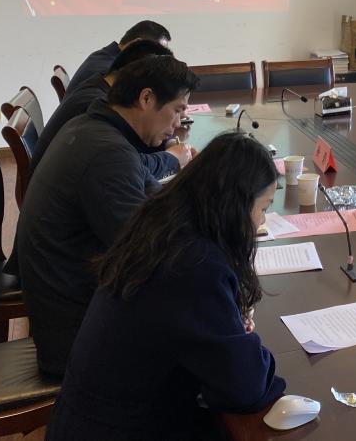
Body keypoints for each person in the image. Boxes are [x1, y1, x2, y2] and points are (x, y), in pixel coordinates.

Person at [46, 132, 286, 441]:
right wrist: (242, 338)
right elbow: (246, 386)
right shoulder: (195, 265)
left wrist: (227, 322)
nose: (259, 224)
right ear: (236, 205)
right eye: (263, 208)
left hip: (85, 419)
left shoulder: (162, 225)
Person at [17, 54, 199, 375]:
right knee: (202, 341)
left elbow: (152, 198)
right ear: (146, 98)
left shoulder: (93, 128)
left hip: (72, 306)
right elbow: (146, 254)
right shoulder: (107, 153)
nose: (178, 124)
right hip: (77, 335)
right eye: (177, 110)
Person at [32, 38, 188, 175]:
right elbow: (127, 164)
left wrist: (168, 141)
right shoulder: (92, 104)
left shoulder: (102, 86)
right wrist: (172, 158)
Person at [64, 19, 172, 95]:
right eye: (157, 54)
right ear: (137, 44)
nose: (157, 62)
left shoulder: (104, 56)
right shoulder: (109, 72)